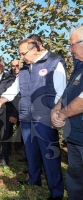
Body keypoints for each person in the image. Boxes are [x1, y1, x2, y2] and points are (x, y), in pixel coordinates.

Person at [0, 39, 66, 199]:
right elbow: (13, 89)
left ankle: (56, 192)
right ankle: (34, 179)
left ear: (35, 48)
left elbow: (62, 91)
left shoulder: (54, 63)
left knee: (50, 155)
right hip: (26, 118)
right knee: (31, 152)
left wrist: (56, 113)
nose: (21, 57)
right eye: (20, 54)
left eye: (24, 53)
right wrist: (1, 101)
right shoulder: (24, 70)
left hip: (45, 118)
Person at [51, 25, 83, 200]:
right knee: (74, 180)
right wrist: (56, 110)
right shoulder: (79, 67)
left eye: (73, 44)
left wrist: (62, 115)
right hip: (75, 137)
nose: (70, 49)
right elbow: (67, 93)